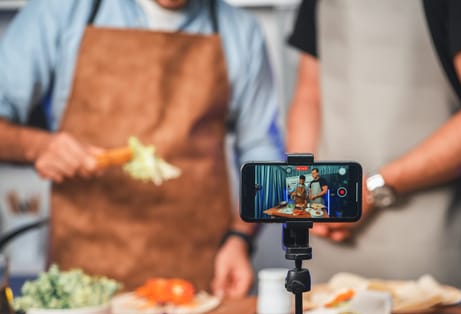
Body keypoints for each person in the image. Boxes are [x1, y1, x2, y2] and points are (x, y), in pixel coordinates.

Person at [0, 0, 284, 297]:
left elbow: (263, 153)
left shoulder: (241, 31)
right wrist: (36, 146)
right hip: (84, 287)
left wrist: (240, 237)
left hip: (201, 281)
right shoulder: (60, 11)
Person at [287, 0, 461, 314]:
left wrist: (368, 190)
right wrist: (303, 197)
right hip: (328, 240)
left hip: (431, 241)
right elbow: (309, 93)